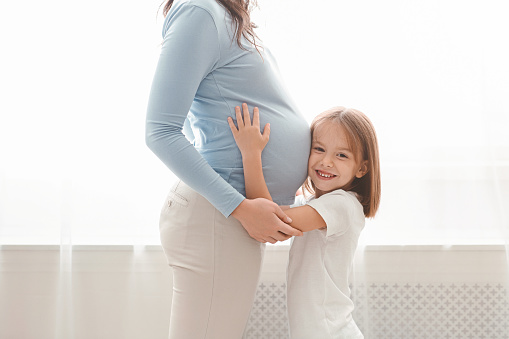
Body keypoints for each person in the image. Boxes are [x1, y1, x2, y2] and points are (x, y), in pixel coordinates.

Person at [145, 0, 310, 338]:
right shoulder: (200, 11)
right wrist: (240, 207)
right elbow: (159, 131)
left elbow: (195, 112)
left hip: (228, 214)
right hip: (219, 216)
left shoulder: (221, 15)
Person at [228, 104, 381, 338]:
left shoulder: (342, 205)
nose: (327, 161)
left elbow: (269, 219)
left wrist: (251, 154)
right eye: (319, 149)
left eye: (341, 155)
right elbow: (268, 213)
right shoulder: (312, 204)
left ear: (362, 168)